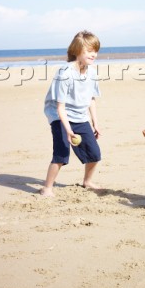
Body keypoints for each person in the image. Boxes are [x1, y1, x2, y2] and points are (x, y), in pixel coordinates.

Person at [40, 30, 102, 197]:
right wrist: (68, 131)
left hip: (80, 115)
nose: (94, 54)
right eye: (89, 51)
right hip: (59, 115)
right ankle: (47, 188)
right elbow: (60, 107)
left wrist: (95, 122)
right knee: (62, 153)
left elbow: (91, 99)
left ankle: (87, 181)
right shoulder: (65, 73)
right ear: (77, 51)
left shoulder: (92, 72)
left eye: (95, 50)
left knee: (94, 154)